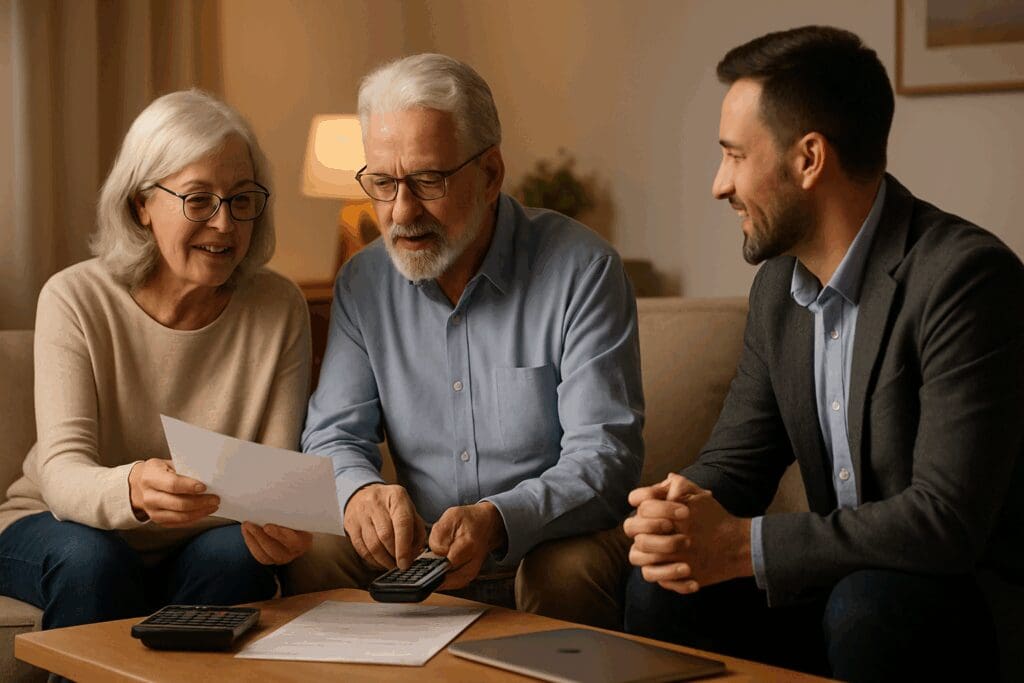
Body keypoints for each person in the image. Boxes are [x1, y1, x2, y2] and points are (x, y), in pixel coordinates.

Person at [622, 25, 1024, 682]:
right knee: (662, 584)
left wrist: (743, 543)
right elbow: (739, 461)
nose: (719, 185)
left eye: (734, 156)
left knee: (867, 605)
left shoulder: (965, 279)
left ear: (809, 159)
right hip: (836, 591)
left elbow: (945, 520)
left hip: (957, 600)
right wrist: (676, 509)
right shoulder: (778, 289)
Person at [293, 53, 644, 629]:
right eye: (383, 183)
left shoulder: (583, 269)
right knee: (316, 551)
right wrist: (359, 494)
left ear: (490, 174)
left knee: (562, 570)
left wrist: (499, 520)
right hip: (418, 555)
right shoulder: (363, 283)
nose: (401, 211)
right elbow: (333, 434)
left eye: (427, 181)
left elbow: (605, 457)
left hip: (541, 543)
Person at [0, 90, 314, 630]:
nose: (225, 224)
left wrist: (280, 523)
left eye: (241, 200)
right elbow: (62, 471)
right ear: (140, 205)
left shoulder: (279, 306)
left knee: (238, 561)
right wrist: (133, 489)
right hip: (57, 522)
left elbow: (272, 472)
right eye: (198, 199)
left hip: (201, 539)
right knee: (95, 563)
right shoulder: (74, 298)